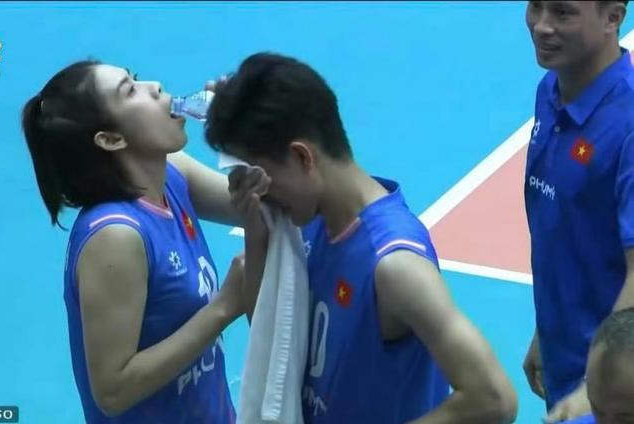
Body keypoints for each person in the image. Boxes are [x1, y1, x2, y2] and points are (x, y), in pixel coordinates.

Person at [204, 52, 518, 424]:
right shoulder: (305, 219)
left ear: (302, 157)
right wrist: (255, 230)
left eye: (262, 177)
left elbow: (493, 397)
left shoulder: (395, 265)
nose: (261, 192)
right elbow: (272, 336)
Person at [21, 60, 264, 423]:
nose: (155, 86)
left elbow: (260, 206)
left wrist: (241, 135)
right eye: (130, 90)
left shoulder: (171, 173)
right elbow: (113, 391)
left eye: (135, 79)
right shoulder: (115, 236)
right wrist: (224, 308)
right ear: (111, 139)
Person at [523, 1, 634, 421]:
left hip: (614, 390)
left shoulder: (629, 126)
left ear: (613, 17)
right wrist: (546, 330)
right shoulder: (550, 91)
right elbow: (564, 232)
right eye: (536, 6)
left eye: (563, 13)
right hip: (565, 355)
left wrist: (596, 385)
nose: (542, 26)